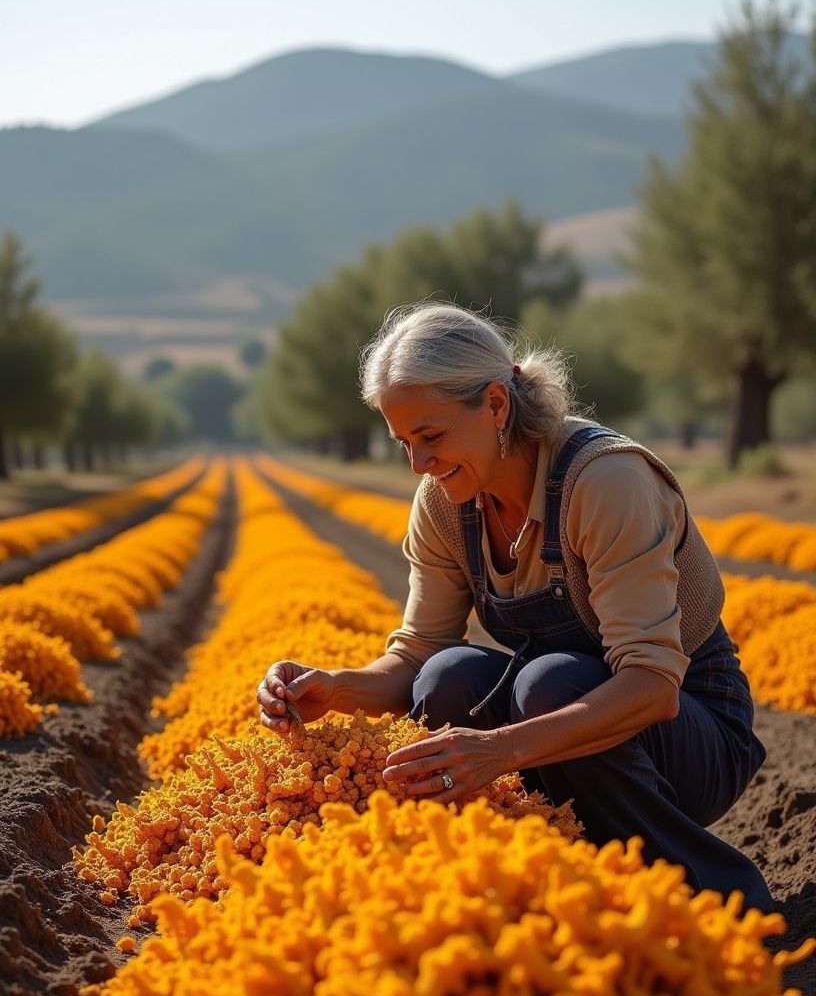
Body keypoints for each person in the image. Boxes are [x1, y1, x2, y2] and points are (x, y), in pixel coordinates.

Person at [257, 302, 772, 911]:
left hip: (687, 730)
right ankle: (515, 888)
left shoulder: (604, 481)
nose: (418, 464)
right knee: (448, 678)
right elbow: (418, 652)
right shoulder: (447, 502)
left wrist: (500, 750)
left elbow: (653, 687)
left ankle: (704, 895)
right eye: (402, 443)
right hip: (559, 722)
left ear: (497, 405)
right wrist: (336, 689)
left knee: (549, 682)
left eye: (431, 437)